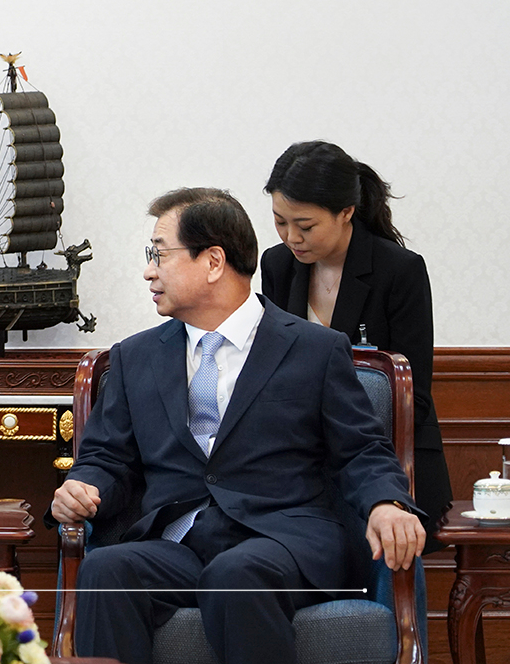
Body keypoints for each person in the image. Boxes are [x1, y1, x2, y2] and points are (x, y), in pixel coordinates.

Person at [51, 187, 425, 664]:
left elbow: (361, 450)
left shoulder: (314, 349)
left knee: (237, 573)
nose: (149, 269)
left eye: (159, 254)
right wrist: (82, 485)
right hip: (180, 545)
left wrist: (387, 503)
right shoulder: (135, 357)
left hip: (283, 543)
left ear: (213, 262)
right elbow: (107, 457)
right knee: (106, 569)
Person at [261, 140, 451, 551]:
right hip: (303, 465)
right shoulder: (276, 266)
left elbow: (413, 396)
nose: (292, 237)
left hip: (389, 458)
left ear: (346, 212)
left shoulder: (398, 270)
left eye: (306, 226)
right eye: (280, 222)